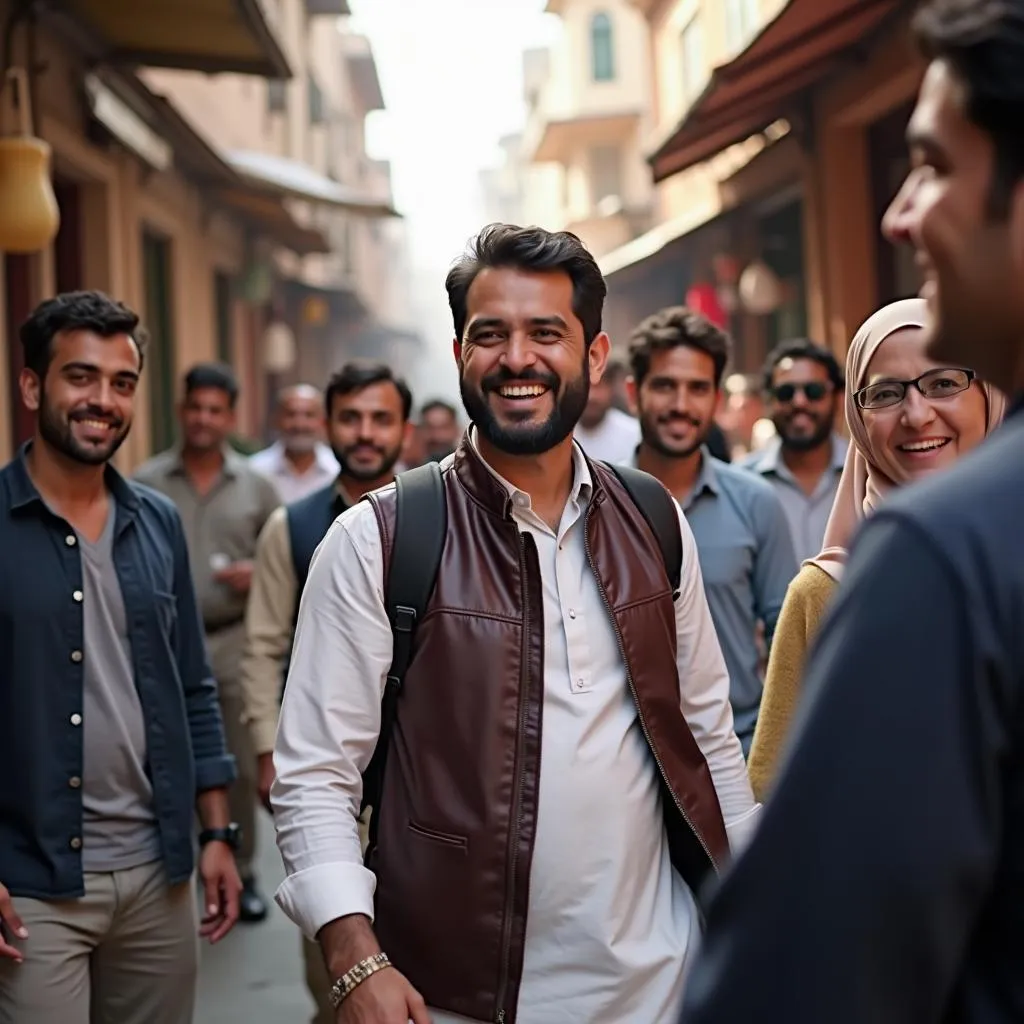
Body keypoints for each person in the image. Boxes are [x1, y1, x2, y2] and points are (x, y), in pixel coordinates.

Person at [272, 224, 758, 1024]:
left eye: (546, 333)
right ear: (461, 351)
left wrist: (749, 917)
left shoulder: (654, 520)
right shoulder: (380, 540)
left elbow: (707, 740)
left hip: (665, 985)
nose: (517, 358)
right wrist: (355, 960)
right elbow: (315, 774)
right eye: (490, 334)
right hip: (452, 999)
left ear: (595, 358)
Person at [678, 2, 1024, 1021]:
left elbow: (797, 979)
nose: (897, 214)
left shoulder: (945, 556)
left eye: (931, 166)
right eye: (886, 392)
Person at [0, 291, 240, 1024]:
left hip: (158, 877)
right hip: (34, 882)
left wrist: (217, 833)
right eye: (81, 377)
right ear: (34, 386)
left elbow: (192, 686)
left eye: (121, 383)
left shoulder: (158, 522)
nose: (101, 400)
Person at [747, 299, 1004, 800]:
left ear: (988, 394)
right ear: (859, 421)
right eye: (885, 393)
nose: (916, 414)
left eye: (944, 382)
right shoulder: (826, 594)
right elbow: (777, 792)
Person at [241, 362, 412, 1024]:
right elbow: (263, 648)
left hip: (419, 785)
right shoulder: (293, 527)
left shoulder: (435, 518)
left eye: (380, 418)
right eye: (351, 418)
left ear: (402, 428)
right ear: (328, 425)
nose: (365, 433)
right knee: (342, 978)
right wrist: (266, 753)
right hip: (330, 782)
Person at [134, 364, 280, 924]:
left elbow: (282, 565)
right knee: (159, 756)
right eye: (195, 407)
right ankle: (177, 868)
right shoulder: (146, 482)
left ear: (230, 417)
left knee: (238, 765)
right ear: (181, 410)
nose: (203, 419)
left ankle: (241, 872)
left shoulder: (256, 488)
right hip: (160, 645)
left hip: (232, 641)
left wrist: (254, 570)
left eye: (215, 410)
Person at [628, 306, 798, 755]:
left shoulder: (756, 501)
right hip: (631, 759)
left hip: (738, 748)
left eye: (697, 388)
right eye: (665, 386)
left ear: (717, 401)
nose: (681, 405)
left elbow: (787, 637)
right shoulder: (598, 506)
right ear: (633, 393)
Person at [742, 339, 847, 562]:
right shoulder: (740, 485)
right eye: (786, 392)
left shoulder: (868, 474)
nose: (799, 402)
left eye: (814, 391)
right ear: (769, 401)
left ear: (838, 399)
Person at [250, 383, 340, 502]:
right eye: (291, 414)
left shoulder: (336, 470)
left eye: (309, 415)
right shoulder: (255, 471)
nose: (299, 424)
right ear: (276, 420)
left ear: (323, 422)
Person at [572, 357, 641, 463]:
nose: (592, 396)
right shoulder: (558, 434)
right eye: (587, 386)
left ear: (611, 387)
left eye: (599, 386)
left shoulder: (635, 435)